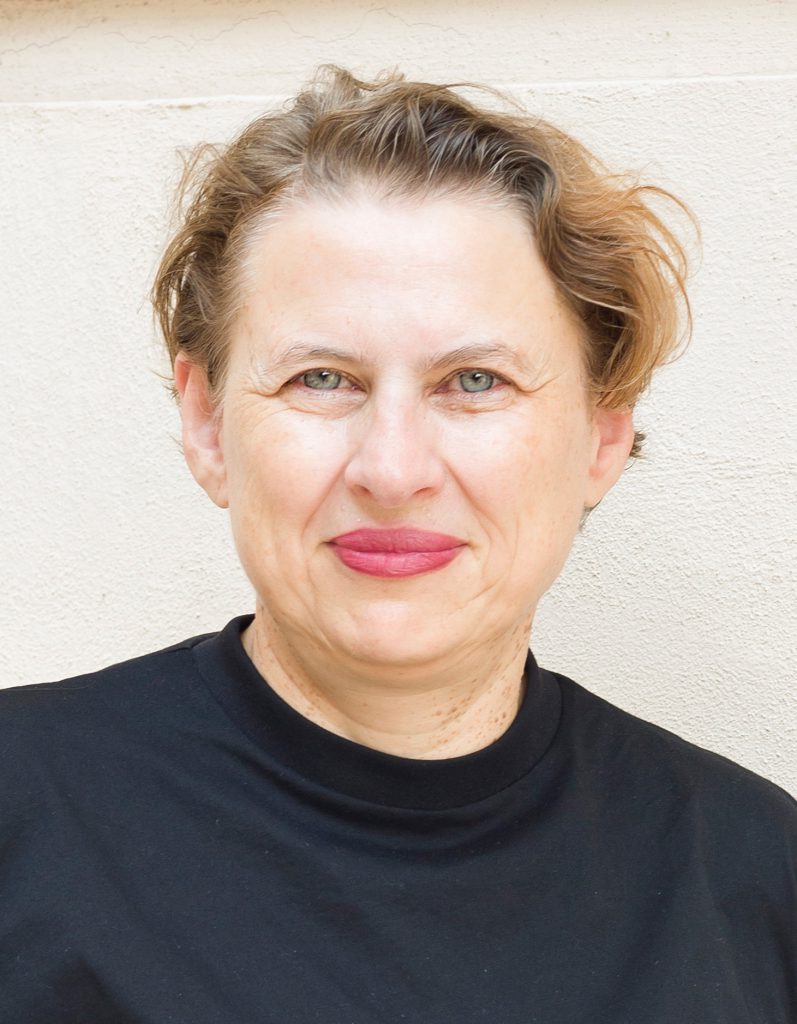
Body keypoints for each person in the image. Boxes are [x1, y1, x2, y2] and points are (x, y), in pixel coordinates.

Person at [1, 65, 794, 1023]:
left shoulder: (753, 875)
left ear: (601, 436)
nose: (392, 468)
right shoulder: (24, 808)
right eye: (323, 378)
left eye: (474, 382)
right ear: (208, 426)